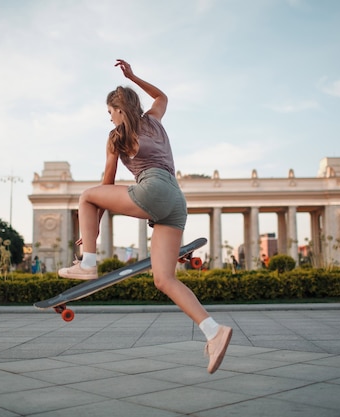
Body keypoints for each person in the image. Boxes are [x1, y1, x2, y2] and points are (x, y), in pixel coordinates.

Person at [58, 59, 232, 373]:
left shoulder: (116, 137)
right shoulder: (153, 120)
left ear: (119, 109)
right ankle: (214, 331)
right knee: (164, 279)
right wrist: (134, 77)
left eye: (110, 112)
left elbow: (105, 187)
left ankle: (87, 265)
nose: (109, 118)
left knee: (86, 195)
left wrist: (91, 238)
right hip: (176, 201)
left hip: (152, 189)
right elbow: (162, 97)